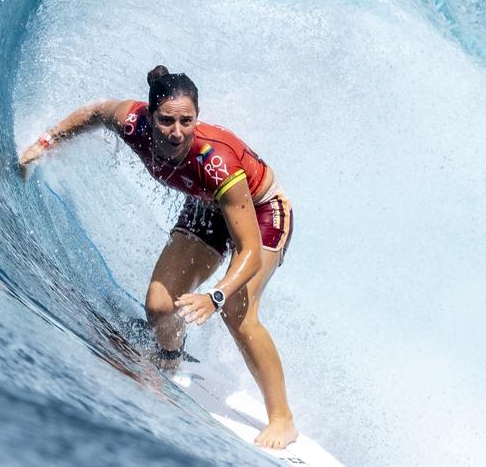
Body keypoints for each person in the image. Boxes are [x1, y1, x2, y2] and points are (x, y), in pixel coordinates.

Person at [18, 65, 298, 449]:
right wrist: (45, 143)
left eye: (187, 121)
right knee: (159, 306)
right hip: (210, 207)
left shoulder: (216, 162)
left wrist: (215, 295)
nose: (177, 131)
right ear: (150, 117)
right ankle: (170, 355)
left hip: (264, 213)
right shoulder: (132, 123)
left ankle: (283, 418)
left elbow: (248, 250)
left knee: (237, 312)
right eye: (167, 120)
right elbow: (97, 112)